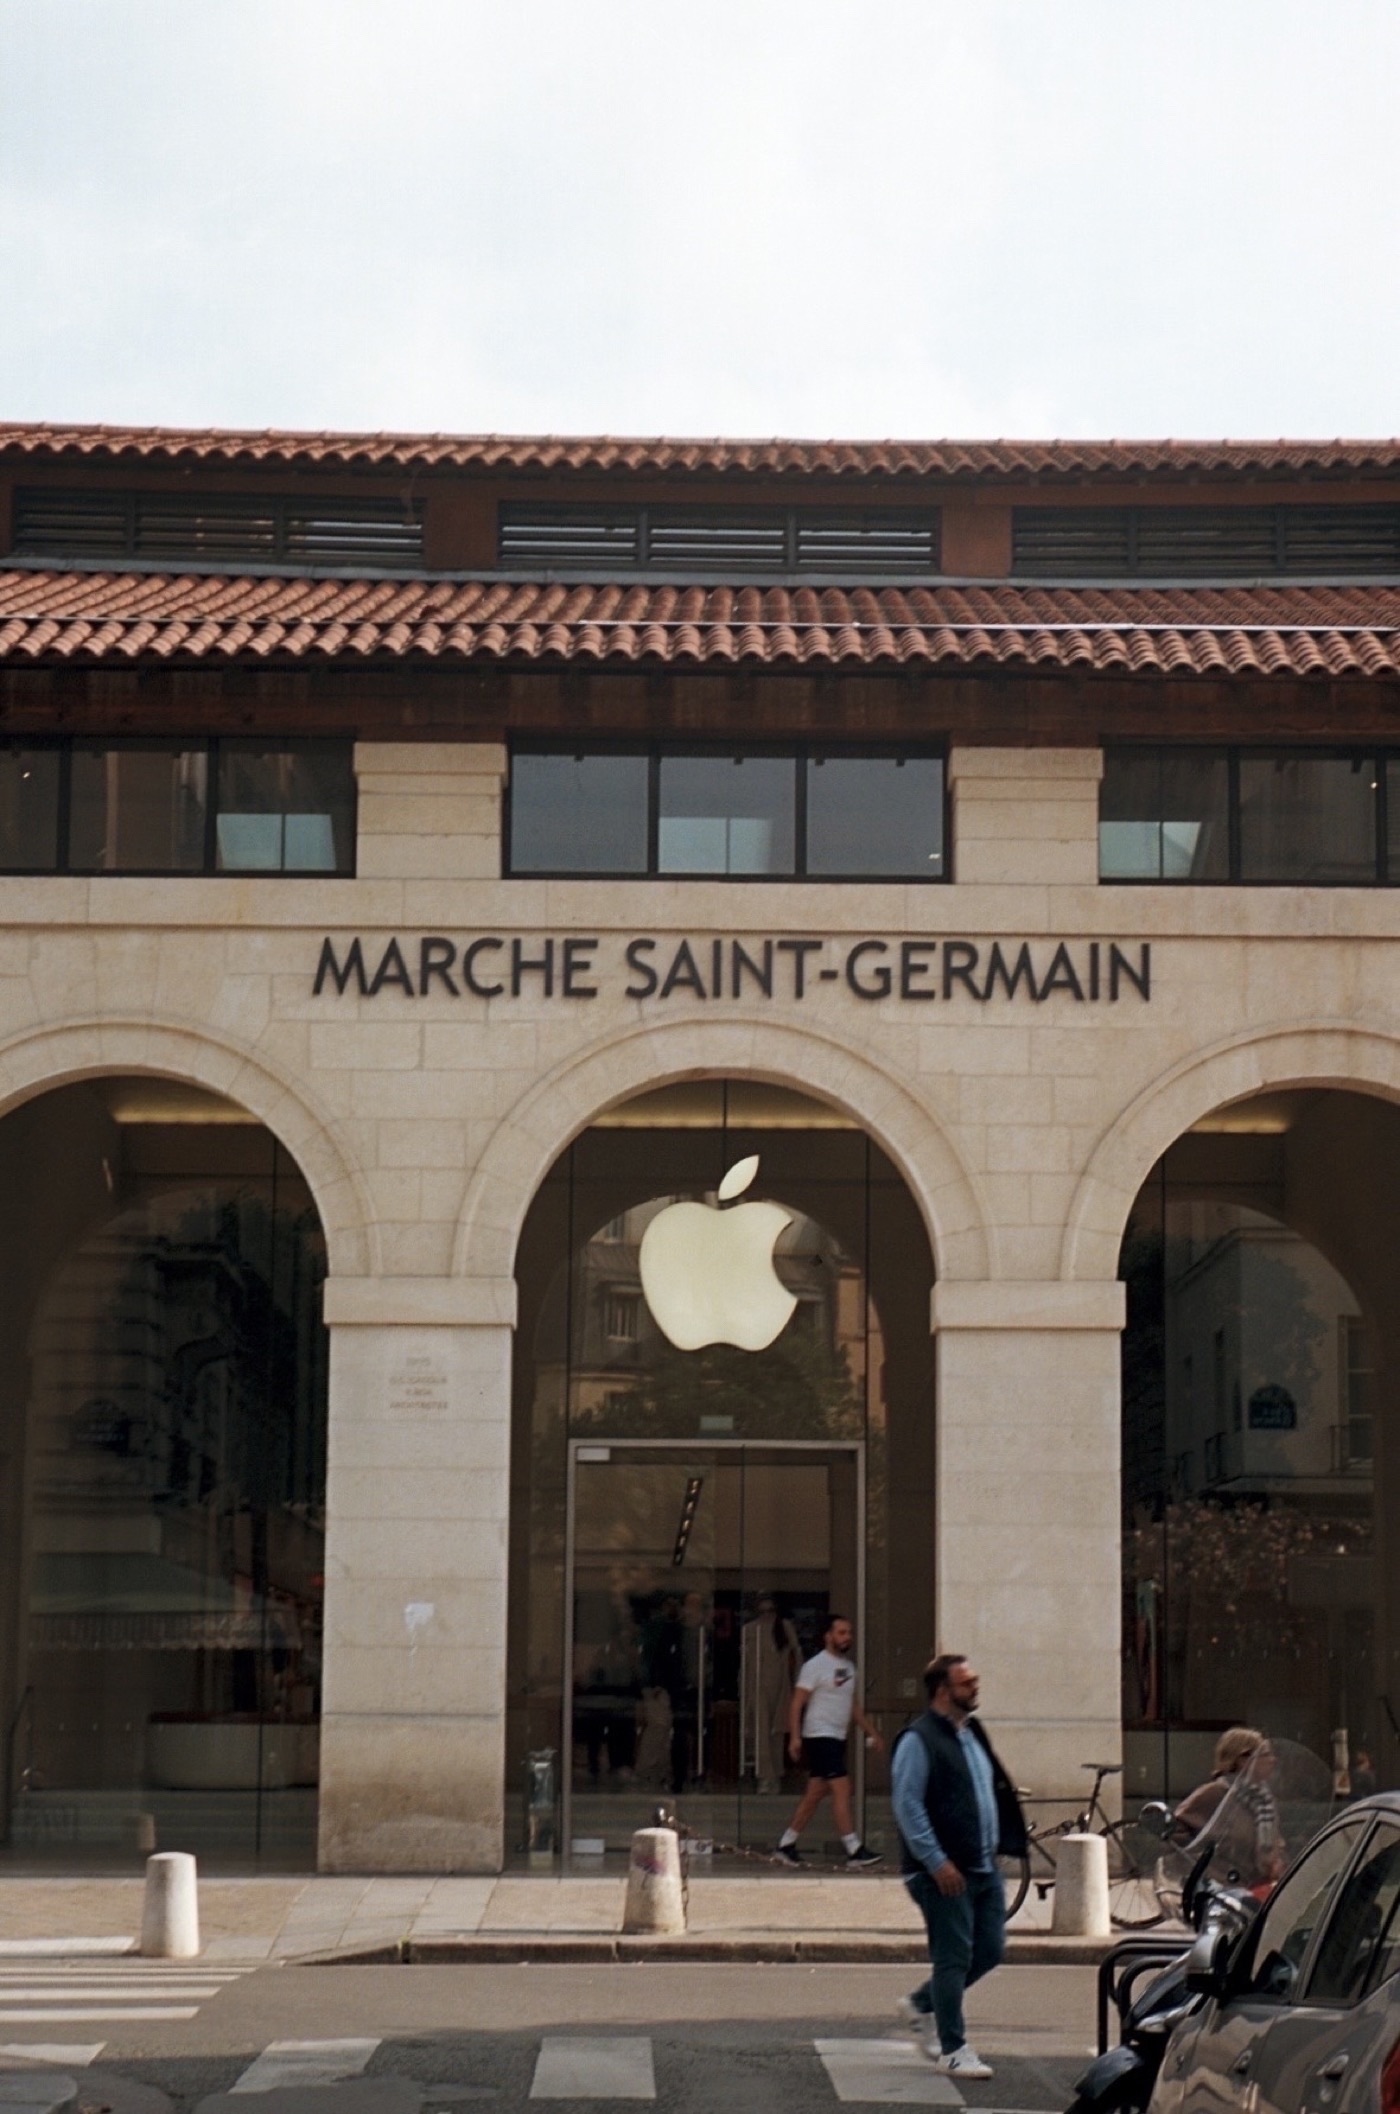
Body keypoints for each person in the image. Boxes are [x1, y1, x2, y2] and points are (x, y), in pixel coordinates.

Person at [891, 1652, 1028, 2079]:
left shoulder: (972, 1731)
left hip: (982, 1864)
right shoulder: (919, 1738)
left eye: (974, 1681)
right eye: (966, 1683)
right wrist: (935, 1861)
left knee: (988, 1951)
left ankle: (921, 2003)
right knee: (952, 1959)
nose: (975, 1688)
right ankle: (954, 2048)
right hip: (943, 1871)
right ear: (942, 1691)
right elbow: (908, 1804)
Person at [774, 1613, 884, 1868]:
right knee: (842, 1789)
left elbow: (852, 1706)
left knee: (815, 1793)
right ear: (829, 1636)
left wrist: (871, 1731)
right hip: (819, 1734)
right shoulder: (814, 1666)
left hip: (837, 1735)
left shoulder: (849, 1668)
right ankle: (854, 1849)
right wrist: (795, 1737)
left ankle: (786, 1844)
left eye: (849, 1632)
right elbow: (797, 1702)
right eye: (842, 1632)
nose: (847, 1637)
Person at [1169, 1726, 1282, 1888]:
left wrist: (1277, 1861)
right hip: (1222, 1890)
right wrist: (1209, 1866)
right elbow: (1175, 1833)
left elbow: (1274, 1840)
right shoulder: (1215, 1793)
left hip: (1258, 1886)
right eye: (1265, 1755)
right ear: (1242, 1760)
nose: (1273, 1760)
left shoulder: (1264, 1800)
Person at [741, 1592, 800, 1792]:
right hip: (757, 1687)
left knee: (777, 1733)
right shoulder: (750, 1629)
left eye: (771, 1610)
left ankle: (776, 1773)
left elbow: (796, 1654)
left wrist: (798, 1683)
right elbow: (745, 1663)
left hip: (781, 1686)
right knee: (761, 1733)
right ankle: (765, 1776)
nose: (767, 1615)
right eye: (763, 1611)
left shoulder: (784, 1627)